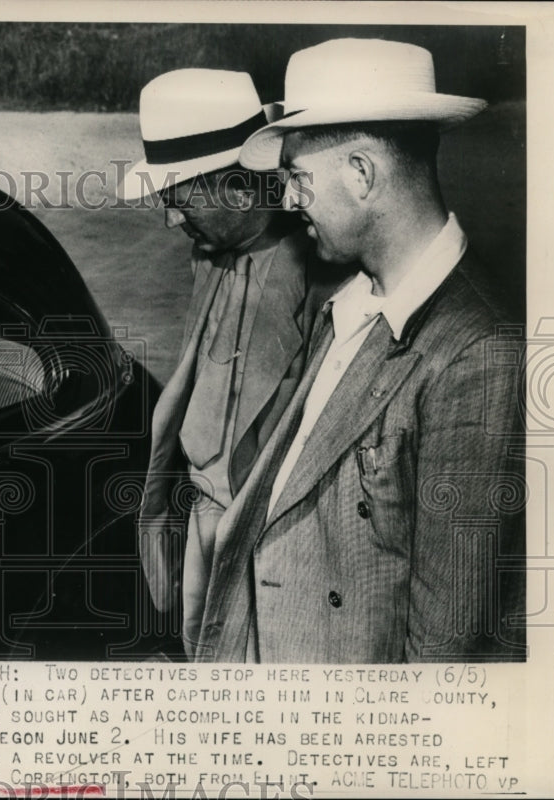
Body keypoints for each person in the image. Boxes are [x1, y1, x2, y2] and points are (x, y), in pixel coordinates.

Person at [196, 38, 525, 662]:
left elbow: (444, 652)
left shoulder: (479, 353)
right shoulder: (351, 305)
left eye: (298, 177)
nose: (289, 202)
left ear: (362, 174)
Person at [118, 69, 341, 654]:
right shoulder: (210, 252)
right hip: (202, 518)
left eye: (177, 201)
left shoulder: (325, 270)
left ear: (241, 192)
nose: (170, 220)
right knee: (202, 655)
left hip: (273, 534)